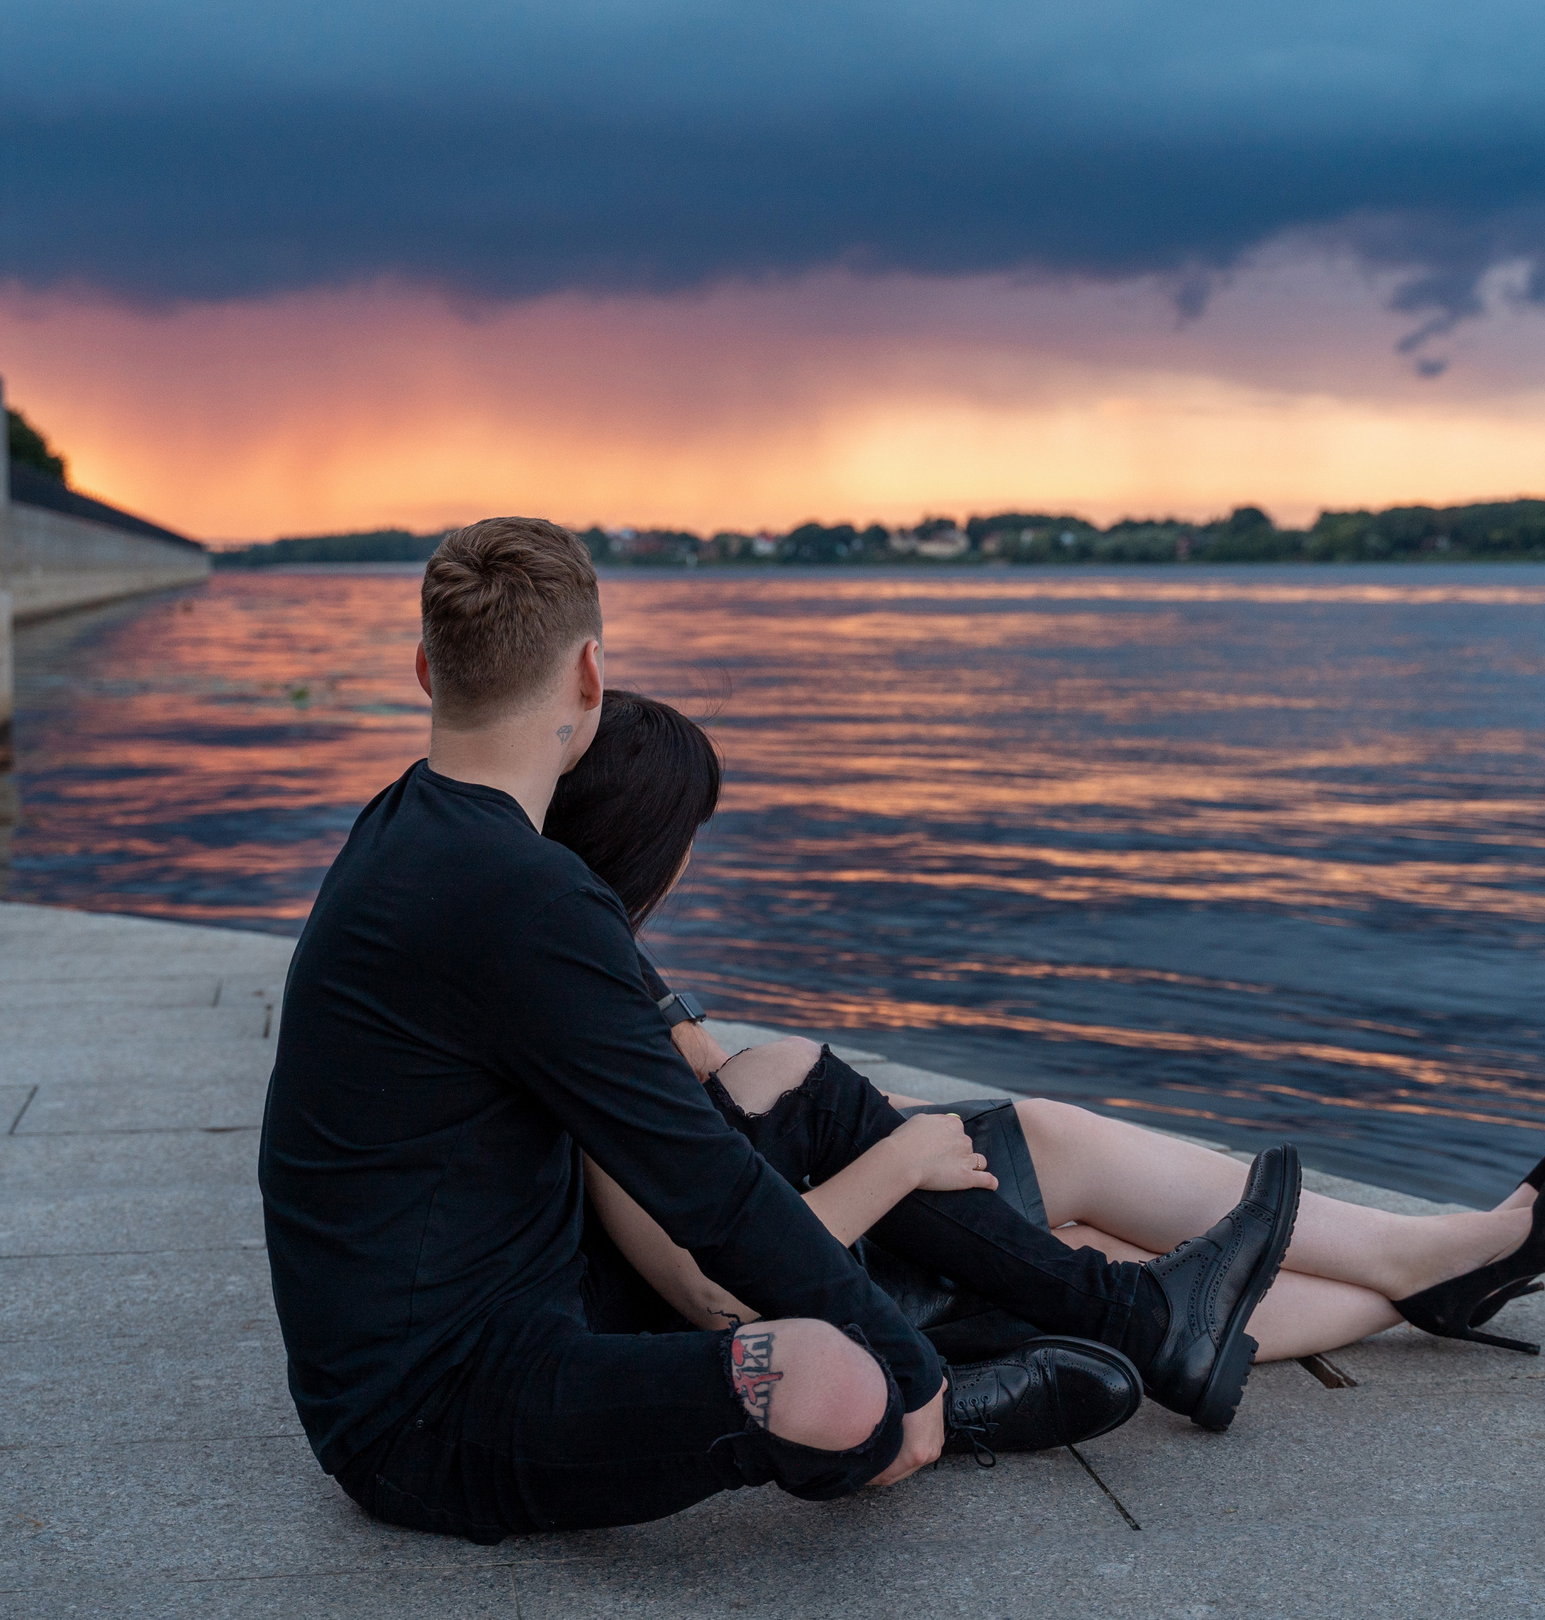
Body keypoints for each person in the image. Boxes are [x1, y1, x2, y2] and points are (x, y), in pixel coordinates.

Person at [259, 518, 1303, 1547]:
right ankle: (950, 1400)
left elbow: (619, 1054)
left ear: (423, 671)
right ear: (589, 674)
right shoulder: (517, 891)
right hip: (436, 1415)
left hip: (537, 1291)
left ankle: (1132, 1323)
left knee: (800, 1094)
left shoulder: (409, 826)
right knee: (830, 1379)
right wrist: (901, 1360)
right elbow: (703, 1188)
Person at [542, 687, 1545, 1371]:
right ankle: (1427, 1267)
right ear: (653, 843)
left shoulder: (579, 950)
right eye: (692, 835)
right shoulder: (584, 1010)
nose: (693, 861)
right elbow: (710, 1283)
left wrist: (890, 1123)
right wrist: (901, 1157)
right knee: (1062, 1187)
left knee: (1059, 1197)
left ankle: (1430, 1271)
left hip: (794, 1219)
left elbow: (711, 1092)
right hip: (785, 1279)